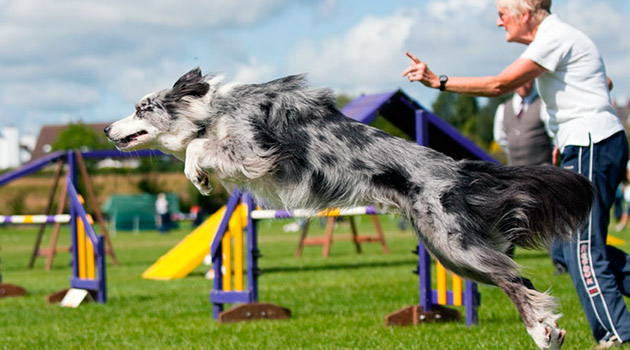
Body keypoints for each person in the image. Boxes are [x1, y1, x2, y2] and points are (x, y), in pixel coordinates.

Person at [402, 0, 630, 347]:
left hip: (590, 142)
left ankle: (616, 332)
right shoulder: (558, 40)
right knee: (566, 250)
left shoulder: (555, 36)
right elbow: (607, 80)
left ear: (524, 14)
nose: (498, 23)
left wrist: (439, 82)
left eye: (502, 15)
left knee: (583, 248)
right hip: (584, 142)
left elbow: (498, 85)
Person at [493, 79, 567, 272]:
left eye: (527, 82)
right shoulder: (504, 109)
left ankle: (561, 262)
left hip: (541, 171)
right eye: (519, 82)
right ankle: (503, 264)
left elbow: (554, 135)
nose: (524, 85)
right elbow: (500, 138)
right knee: (509, 218)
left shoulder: (543, 105)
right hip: (514, 173)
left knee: (548, 217)